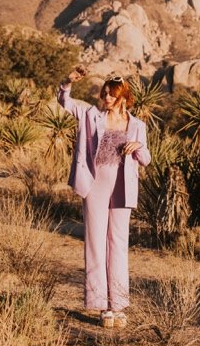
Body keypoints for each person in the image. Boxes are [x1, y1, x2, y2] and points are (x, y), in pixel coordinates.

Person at [57, 66, 151, 328]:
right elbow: (65, 101)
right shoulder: (91, 115)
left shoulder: (137, 125)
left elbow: (146, 160)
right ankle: (101, 305)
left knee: (118, 243)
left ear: (123, 97)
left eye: (111, 94)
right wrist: (68, 81)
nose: (106, 98)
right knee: (95, 242)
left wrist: (138, 148)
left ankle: (118, 304)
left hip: (123, 187)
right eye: (104, 93)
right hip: (95, 184)